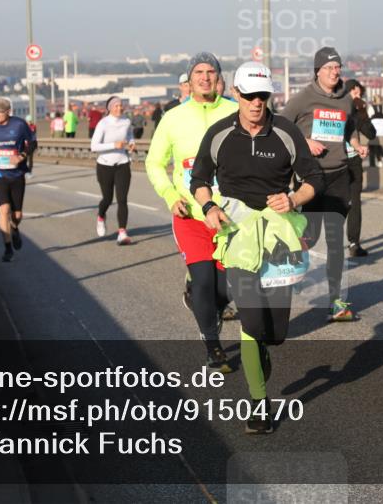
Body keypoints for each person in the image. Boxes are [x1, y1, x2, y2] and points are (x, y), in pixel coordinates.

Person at [191, 61, 323, 434]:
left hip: (279, 233)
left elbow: (314, 179)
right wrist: (209, 206)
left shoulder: (285, 132)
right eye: (248, 95)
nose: (255, 103)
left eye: (262, 96)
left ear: (269, 97)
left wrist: (294, 199)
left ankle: (261, 353)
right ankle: (258, 403)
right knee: (250, 321)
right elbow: (198, 179)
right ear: (236, 94)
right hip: (238, 233)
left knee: (275, 332)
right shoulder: (219, 135)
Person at [146, 53, 239, 370]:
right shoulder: (173, 118)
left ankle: (208, 310)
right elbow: (154, 163)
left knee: (226, 288)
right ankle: (213, 347)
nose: (205, 76)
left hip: (230, 216)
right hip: (190, 216)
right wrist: (171, 195)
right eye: (198, 71)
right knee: (202, 281)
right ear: (189, 79)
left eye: (211, 71)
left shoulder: (235, 111)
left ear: (218, 77)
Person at [281, 47, 367, 322]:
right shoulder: (303, 99)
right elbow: (282, 128)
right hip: (311, 177)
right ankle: (286, 267)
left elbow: (350, 125)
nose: (335, 72)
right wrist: (304, 142)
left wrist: (355, 145)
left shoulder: (345, 99)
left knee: (334, 239)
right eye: (329, 68)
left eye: (338, 67)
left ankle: (336, 301)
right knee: (309, 236)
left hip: (339, 174)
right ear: (318, 70)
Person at [0, 97, 37, 262]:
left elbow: (32, 143)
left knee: (17, 214)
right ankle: (7, 248)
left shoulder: (19, 124)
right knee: (4, 210)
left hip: (17, 174)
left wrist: (22, 155)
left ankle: (15, 227)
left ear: (8, 112)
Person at [92, 96, 136, 245]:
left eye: (121, 106)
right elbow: (94, 146)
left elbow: (129, 135)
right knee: (107, 199)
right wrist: (113, 145)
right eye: (116, 106)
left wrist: (131, 143)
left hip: (122, 163)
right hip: (104, 165)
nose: (119, 108)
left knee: (122, 199)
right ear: (110, 108)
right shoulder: (103, 124)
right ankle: (101, 216)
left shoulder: (126, 121)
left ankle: (122, 232)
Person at [343, 79, 374, 258]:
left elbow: (371, 133)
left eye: (360, 94)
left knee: (355, 202)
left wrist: (361, 112)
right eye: (355, 93)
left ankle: (354, 243)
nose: (358, 97)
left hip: (354, 160)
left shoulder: (357, 110)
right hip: (336, 161)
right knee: (335, 201)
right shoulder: (335, 107)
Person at [366, 94, 383, 167]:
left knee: (375, 144)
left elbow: (368, 118)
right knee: (378, 144)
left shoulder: (371, 107)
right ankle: (382, 158)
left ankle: (380, 160)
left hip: (375, 127)